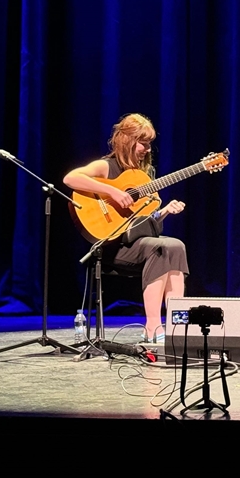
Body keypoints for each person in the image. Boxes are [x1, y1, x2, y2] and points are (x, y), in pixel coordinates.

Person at [64, 113, 188, 343]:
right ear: (128, 141)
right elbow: (70, 179)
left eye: (150, 143)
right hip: (113, 246)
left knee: (176, 245)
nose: (148, 149)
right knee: (160, 248)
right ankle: (152, 326)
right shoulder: (106, 167)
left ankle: (176, 326)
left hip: (138, 243)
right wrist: (112, 191)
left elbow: (143, 223)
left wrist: (164, 212)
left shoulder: (142, 177)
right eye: (144, 143)